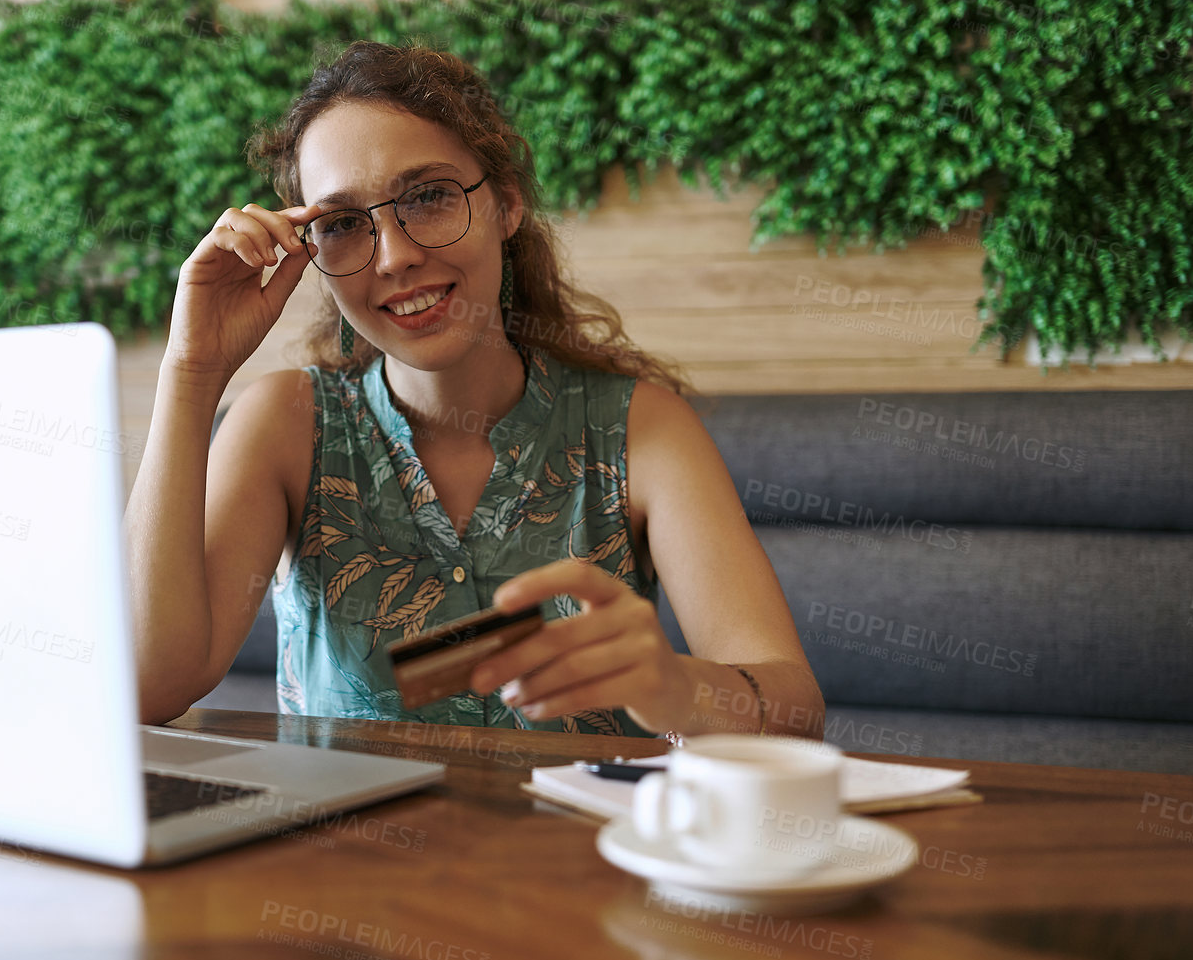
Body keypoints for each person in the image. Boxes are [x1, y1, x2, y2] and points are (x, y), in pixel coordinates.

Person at [126, 40, 823, 741]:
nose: (395, 256)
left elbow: (796, 711)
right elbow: (146, 689)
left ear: (507, 204)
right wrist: (191, 371)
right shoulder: (285, 426)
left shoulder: (638, 428)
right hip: (345, 853)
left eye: (427, 197)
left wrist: (675, 687)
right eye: (341, 224)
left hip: (575, 850)